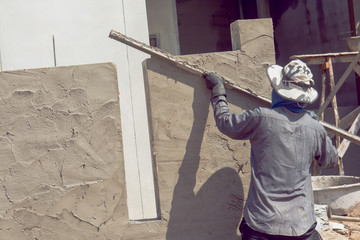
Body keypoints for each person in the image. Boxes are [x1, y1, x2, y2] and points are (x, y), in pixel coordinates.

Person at [202, 59, 338, 240]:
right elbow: (331, 160)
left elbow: (226, 123)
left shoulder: (261, 118)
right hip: (300, 227)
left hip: (262, 226)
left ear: (279, 90)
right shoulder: (314, 128)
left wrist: (218, 91)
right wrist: (317, 130)